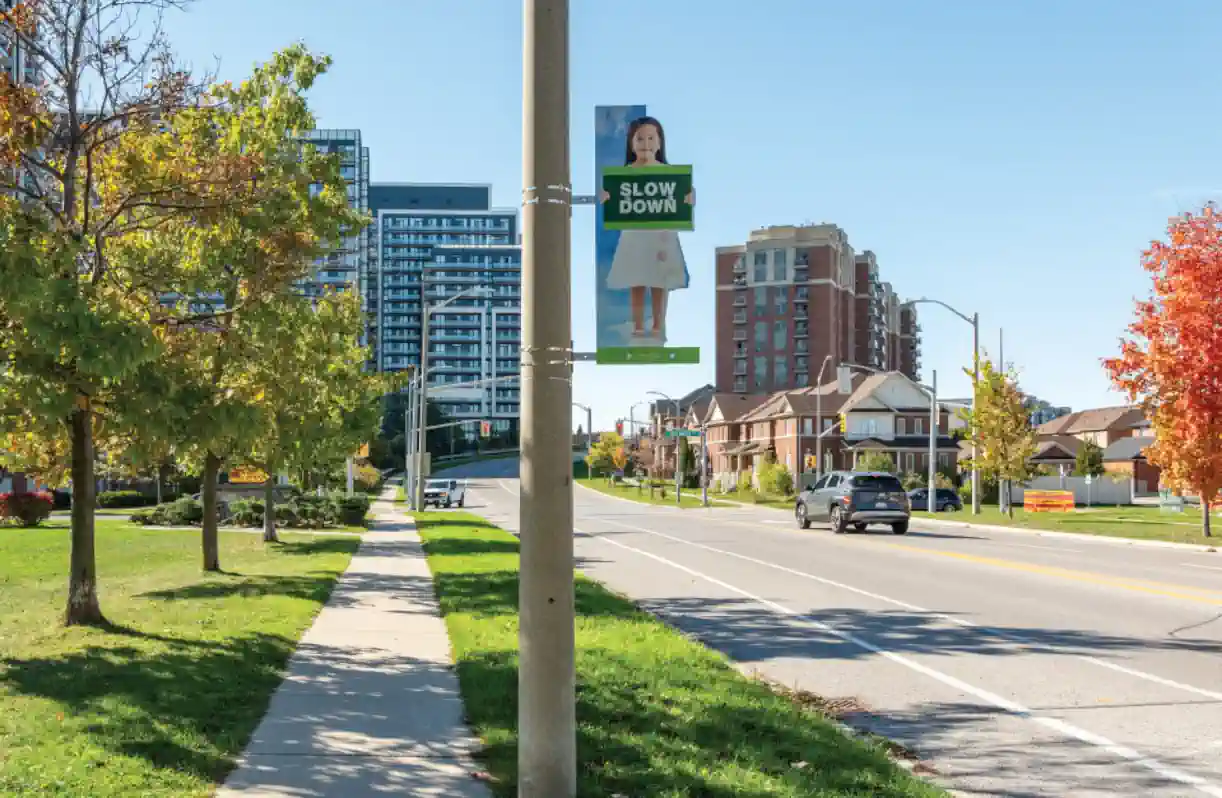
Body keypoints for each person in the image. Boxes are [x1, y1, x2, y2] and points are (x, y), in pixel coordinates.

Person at [600, 116, 694, 341]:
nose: (646, 143)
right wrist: (606, 198)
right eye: (640, 138)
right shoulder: (625, 174)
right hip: (635, 234)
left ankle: (658, 323)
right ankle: (639, 323)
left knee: (659, 279)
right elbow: (613, 199)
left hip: (660, 234)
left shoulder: (668, 172)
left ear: (660, 142)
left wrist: (689, 198)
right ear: (631, 143)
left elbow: (680, 198)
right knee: (637, 278)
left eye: (651, 138)